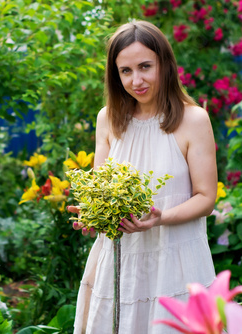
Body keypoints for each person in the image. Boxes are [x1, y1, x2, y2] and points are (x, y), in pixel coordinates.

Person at [67, 20, 217, 334]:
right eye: (126, 71)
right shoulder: (108, 119)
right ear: (115, 74)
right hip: (121, 260)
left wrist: (159, 218)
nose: (137, 80)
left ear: (165, 64)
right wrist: (93, 214)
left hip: (176, 260)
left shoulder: (193, 120)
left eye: (145, 66)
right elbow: (102, 189)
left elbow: (206, 198)